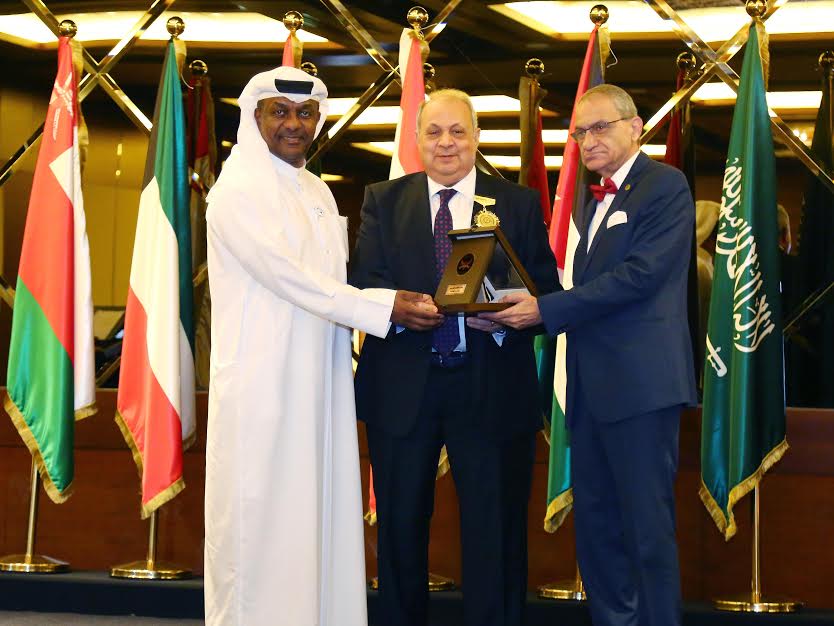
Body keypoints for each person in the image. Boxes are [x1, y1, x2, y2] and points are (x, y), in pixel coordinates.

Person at [203, 65, 442, 626]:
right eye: (280, 112)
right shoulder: (236, 191)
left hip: (322, 384)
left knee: (319, 518)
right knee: (263, 524)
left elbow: (335, 280)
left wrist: (388, 298)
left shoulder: (315, 189)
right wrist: (383, 307)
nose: (294, 124)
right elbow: (290, 278)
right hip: (264, 388)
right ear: (255, 116)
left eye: (305, 113)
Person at [482, 84, 697, 626]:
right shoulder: (588, 197)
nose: (588, 140)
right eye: (580, 132)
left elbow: (640, 277)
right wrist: (516, 302)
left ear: (636, 127)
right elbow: (584, 290)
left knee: (646, 532)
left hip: (642, 390)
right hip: (589, 390)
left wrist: (545, 309)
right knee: (598, 531)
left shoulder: (664, 185)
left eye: (601, 127)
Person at [350, 88, 558, 626]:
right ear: (416, 139)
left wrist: (512, 315)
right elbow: (362, 282)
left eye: (458, 131)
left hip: (491, 387)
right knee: (399, 530)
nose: (446, 143)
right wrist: (398, 309)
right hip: (403, 388)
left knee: (496, 533)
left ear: (477, 138)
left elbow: (548, 293)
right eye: (434, 132)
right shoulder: (382, 200)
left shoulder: (517, 203)